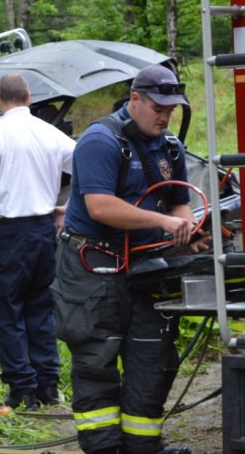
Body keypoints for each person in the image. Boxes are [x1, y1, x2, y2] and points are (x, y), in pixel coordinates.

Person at [53, 65, 209, 454]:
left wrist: (187, 229)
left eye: (171, 110)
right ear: (134, 100)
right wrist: (163, 222)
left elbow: (178, 202)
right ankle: (104, 449)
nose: (165, 116)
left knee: (152, 357)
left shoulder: (169, 146)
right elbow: (101, 207)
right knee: (96, 360)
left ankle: (143, 448)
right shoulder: (100, 141)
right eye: (158, 107)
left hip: (145, 270)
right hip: (92, 268)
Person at [0, 74, 76, 410]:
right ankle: (48, 387)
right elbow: (88, 163)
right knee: (41, 309)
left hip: (10, 233)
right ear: (29, 97)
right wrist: (67, 209)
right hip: (45, 230)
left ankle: (21, 390)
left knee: (8, 309)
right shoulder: (49, 132)